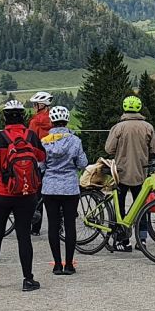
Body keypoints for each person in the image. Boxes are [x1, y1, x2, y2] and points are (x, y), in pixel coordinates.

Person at [0, 100, 44, 291]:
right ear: (23, 116)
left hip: (1, 194)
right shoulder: (31, 136)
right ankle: (27, 279)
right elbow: (42, 157)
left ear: (4, 117)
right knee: (24, 237)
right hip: (26, 194)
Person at [103, 95, 155, 246]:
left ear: (124, 108)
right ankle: (142, 240)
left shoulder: (118, 127)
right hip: (141, 172)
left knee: (119, 207)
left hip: (121, 172)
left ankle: (122, 240)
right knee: (141, 207)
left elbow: (109, 148)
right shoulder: (148, 127)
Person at [39, 105, 87, 275]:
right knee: (70, 225)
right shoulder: (75, 141)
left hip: (50, 187)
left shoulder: (44, 142)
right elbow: (82, 164)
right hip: (70, 188)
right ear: (67, 120)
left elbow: (41, 166)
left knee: (53, 225)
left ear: (51, 121)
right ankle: (69, 265)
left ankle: (57, 264)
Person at [25, 92, 54, 235]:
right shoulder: (54, 119)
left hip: (38, 160)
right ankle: (57, 225)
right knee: (52, 193)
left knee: (37, 192)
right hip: (53, 160)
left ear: (40, 105)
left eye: (35, 104)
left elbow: (30, 140)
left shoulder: (34, 121)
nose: (34, 107)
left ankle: (35, 228)